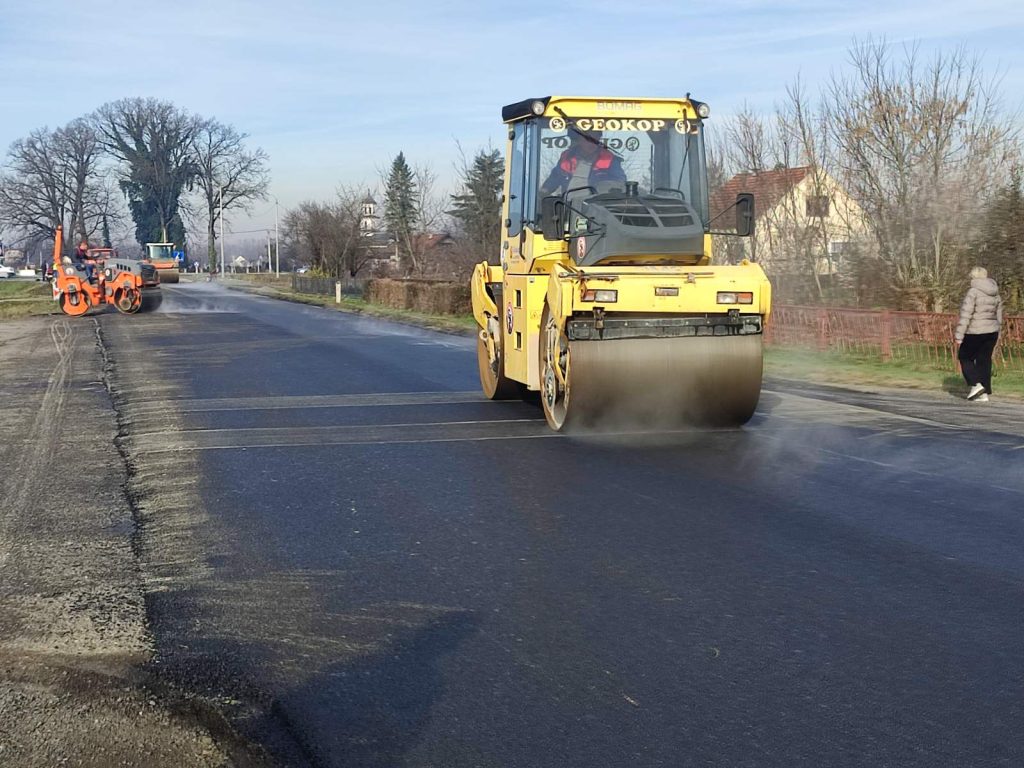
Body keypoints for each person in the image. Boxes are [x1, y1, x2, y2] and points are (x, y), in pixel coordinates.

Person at [955, 266, 1003, 402]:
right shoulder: (995, 293)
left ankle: (975, 384)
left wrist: (959, 335)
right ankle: (984, 392)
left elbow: (966, 314)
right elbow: (999, 315)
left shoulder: (973, 292)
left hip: (975, 331)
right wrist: (998, 332)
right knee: (984, 360)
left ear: (973, 277)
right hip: (991, 331)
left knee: (964, 357)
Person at [539, 130, 626, 198]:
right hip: (567, 206)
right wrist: (542, 193)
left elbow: (620, 183)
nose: (592, 143)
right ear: (579, 140)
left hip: (595, 208)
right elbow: (553, 179)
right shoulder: (566, 158)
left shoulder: (609, 160)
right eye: (587, 139)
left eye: (595, 139)